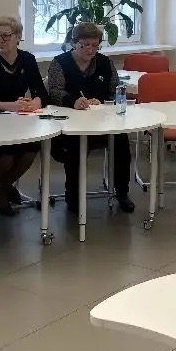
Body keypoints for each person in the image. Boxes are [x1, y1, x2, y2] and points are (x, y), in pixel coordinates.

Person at [45, 22, 134, 213]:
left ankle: (122, 192)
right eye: (85, 45)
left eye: (95, 45)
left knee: (121, 140)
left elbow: (115, 91)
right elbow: (54, 91)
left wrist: (102, 101)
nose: (90, 50)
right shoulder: (60, 63)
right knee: (75, 146)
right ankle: (73, 196)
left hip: (101, 121)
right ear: (74, 43)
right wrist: (73, 100)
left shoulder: (105, 63)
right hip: (70, 124)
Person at [0, 15, 48, 215]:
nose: (0, 40)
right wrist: (11, 106)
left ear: (18, 37)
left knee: (30, 152)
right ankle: (3, 191)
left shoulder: (27, 59)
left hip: (19, 121)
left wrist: (35, 103)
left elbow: (42, 92)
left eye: (6, 36)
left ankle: (2, 187)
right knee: (4, 158)